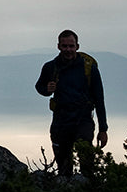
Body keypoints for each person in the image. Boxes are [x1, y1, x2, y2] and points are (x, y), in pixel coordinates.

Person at [35, 29, 108, 176]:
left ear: (77, 46)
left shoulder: (89, 68)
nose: (68, 49)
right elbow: (40, 87)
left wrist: (103, 129)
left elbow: (99, 99)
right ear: (58, 46)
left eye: (71, 46)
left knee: (87, 163)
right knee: (63, 166)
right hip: (61, 120)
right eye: (64, 46)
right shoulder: (51, 67)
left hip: (83, 120)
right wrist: (47, 90)